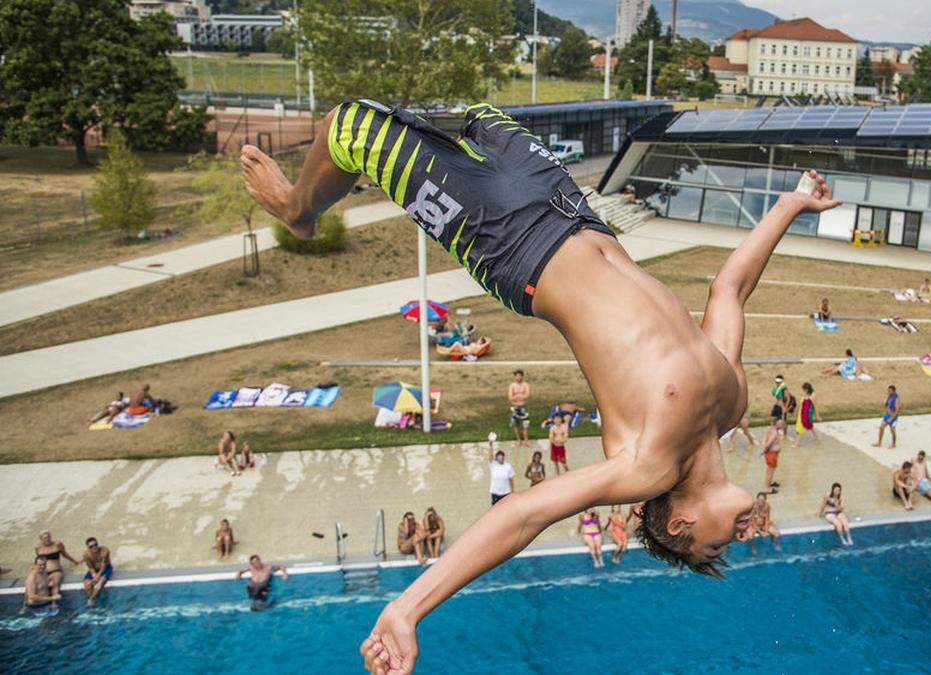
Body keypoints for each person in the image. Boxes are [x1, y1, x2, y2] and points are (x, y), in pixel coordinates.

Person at [237, 99, 842, 672]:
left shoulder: (645, 466)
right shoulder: (730, 403)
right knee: (475, 114)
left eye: (715, 549)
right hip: (567, 206)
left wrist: (407, 607)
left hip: (507, 244)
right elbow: (728, 291)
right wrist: (791, 203)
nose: (739, 538)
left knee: (351, 127)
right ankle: (311, 196)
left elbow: (524, 514)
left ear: (678, 526)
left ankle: (298, 212)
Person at [35, 531, 78, 596]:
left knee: (55, 586)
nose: (47, 539)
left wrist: (74, 561)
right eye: (45, 538)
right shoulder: (38, 547)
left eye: (48, 537)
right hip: (43, 571)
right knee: (40, 587)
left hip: (55, 571)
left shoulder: (58, 544)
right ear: (41, 539)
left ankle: (54, 604)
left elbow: (64, 554)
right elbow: (38, 560)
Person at [80, 537, 113, 606]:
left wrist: (98, 576)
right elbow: (90, 567)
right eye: (91, 546)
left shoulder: (104, 551)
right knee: (87, 584)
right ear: (88, 547)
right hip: (94, 569)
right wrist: (93, 574)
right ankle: (92, 596)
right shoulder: (86, 555)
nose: (94, 547)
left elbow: (103, 566)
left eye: (95, 545)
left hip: (106, 568)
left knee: (99, 584)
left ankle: (91, 599)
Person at [485, 437, 515, 505]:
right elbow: (490, 456)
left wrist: (512, 490)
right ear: (496, 458)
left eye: (502, 456)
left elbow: (511, 479)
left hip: (506, 492)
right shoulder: (493, 465)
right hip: (495, 492)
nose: (501, 458)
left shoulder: (508, 466)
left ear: (504, 457)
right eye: (499, 456)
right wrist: (491, 445)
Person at [507, 370, 531, 449]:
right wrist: (520, 396)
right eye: (517, 376)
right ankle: (519, 440)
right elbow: (510, 398)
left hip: (524, 408)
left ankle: (526, 440)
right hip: (515, 408)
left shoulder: (525, 385)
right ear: (515, 377)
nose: (518, 377)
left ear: (522, 376)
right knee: (516, 425)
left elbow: (527, 395)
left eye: (520, 376)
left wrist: (516, 396)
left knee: (526, 425)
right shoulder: (512, 386)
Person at [761, 416, 783, 493]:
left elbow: (764, 440)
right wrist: (764, 449)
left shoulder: (770, 429)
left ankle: (769, 483)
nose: (782, 424)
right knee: (770, 471)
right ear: (775, 424)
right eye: (780, 423)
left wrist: (764, 449)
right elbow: (769, 442)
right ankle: (767, 488)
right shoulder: (774, 433)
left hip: (769, 454)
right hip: (772, 454)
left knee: (769, 470)